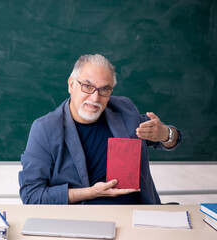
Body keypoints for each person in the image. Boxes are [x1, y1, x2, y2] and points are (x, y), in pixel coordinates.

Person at [18, 54, 181, 205]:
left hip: (136, 215)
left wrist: (165, 134)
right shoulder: (45, 129)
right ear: (71, 84)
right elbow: (31, 195)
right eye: (87, 86)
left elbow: (171, 140)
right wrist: (90, 193)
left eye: (104, 90)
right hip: (82, 220)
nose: (95, 98)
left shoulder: (124, 111)